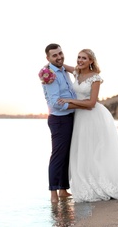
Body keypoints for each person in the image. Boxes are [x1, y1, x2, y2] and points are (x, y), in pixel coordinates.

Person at [58, 49, 118, 202]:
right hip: (79, 117)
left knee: (96, 151)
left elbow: (92, 103)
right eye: (79, 57)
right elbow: (61, 65)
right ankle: (85, 183)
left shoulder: (96, 78)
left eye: (84, 58)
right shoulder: (76, 73)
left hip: (92, 117)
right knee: (83, 151)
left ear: (91, 61)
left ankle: (103, 183)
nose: (80, 60)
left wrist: (69, 101)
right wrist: (49, 65)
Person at [40, 43, 86, 203]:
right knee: (58, 156)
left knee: (67, 155)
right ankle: (53, 194)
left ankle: (63, 190)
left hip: (70, 117)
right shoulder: (50, 74)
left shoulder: (62, 70)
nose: (59, 57)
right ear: (48, 58)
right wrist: (79, 104)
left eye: (60, 53)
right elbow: (55, 103)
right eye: (54, 55)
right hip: (59, 119)